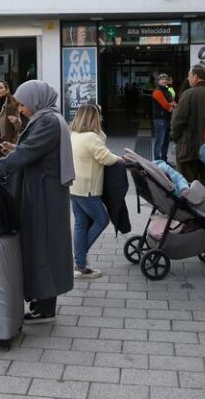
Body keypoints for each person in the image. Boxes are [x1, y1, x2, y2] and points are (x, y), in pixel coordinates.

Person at [0, 80, 74, 324]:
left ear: (36, 99)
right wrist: (15, 147)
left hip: (43, 196)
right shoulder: (47, 118)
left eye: (22, 103)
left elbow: (27, 154)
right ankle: (42, 301)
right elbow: (29, 150)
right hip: (41, 193)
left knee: (42, 247)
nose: (20, 108)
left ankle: (45, 305)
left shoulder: (48, 121)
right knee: (41, 245)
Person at [69, 104, 122, 279]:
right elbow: (105, 157)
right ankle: (80, 260)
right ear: (94, 118)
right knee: (102, 219)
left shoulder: (75, 135)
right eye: (98, 115)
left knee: (80, 223)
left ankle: (80, 263)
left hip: (74, 187)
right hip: (88, 189)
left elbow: (101, 142)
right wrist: (121, 159)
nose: (101, 118)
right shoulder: (91, 137)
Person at [171, 65, 205, 192]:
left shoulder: (188, 94)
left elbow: (177, 122)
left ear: (196, 77)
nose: (188, 79)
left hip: (188, 149)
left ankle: (190, 211)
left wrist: (175, 137)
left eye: (190, 76)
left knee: (187, 186)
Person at [152, 73, 174, 161]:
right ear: (158, 81)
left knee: (166, 141)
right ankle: (157, 160)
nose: (164, 81)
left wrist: (172, 105)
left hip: (167, 118)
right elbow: (166, 105)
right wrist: (172, 107)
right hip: (160, 119)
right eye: (162, 79)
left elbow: (173, 103)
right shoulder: (157, 91)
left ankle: (164, 159)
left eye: (166, 79)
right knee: (160, 141)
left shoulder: (168, 91)